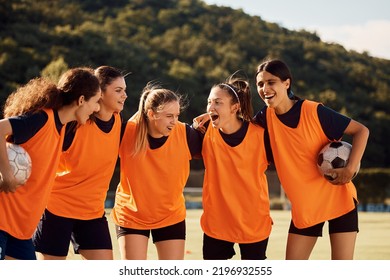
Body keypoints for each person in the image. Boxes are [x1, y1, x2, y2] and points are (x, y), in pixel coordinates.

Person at [254, 58, 369, 260]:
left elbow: (361, 131)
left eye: (271, 82)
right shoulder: (265, 117)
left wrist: (350, 168)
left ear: (286, 83)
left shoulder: (314, 111)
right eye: (260, 84)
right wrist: (211, 116)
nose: (265, 88)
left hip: (338, 199)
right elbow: (237, 128)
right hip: (306, 207)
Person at [0, 67, 101, 260]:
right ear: (81, 100)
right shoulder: (40, 119)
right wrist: (6, 172)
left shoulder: (62, 127)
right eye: (95, 102)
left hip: (20, 231)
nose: (97, 108)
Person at [33, 66, 128, 260]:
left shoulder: (119, 121)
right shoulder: (74, 123)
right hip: (56, 209)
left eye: (124, 90)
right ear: (99, 93)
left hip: (93, 212)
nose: (125, 95)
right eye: (118, 90)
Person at [110, 82, 202, 260]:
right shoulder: (126, 132)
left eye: (176, 115)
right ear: (151, 114)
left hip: (170, 215)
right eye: (169, 116)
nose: (174, 121)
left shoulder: (186, 134)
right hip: (131, 215)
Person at [193, 76, 273, 260]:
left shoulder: (261, 135)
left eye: (218, 103)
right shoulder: (203, 132)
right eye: (209, 102)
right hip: (217, 223)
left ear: (235, 107)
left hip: (253, 222)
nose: (211, 107)